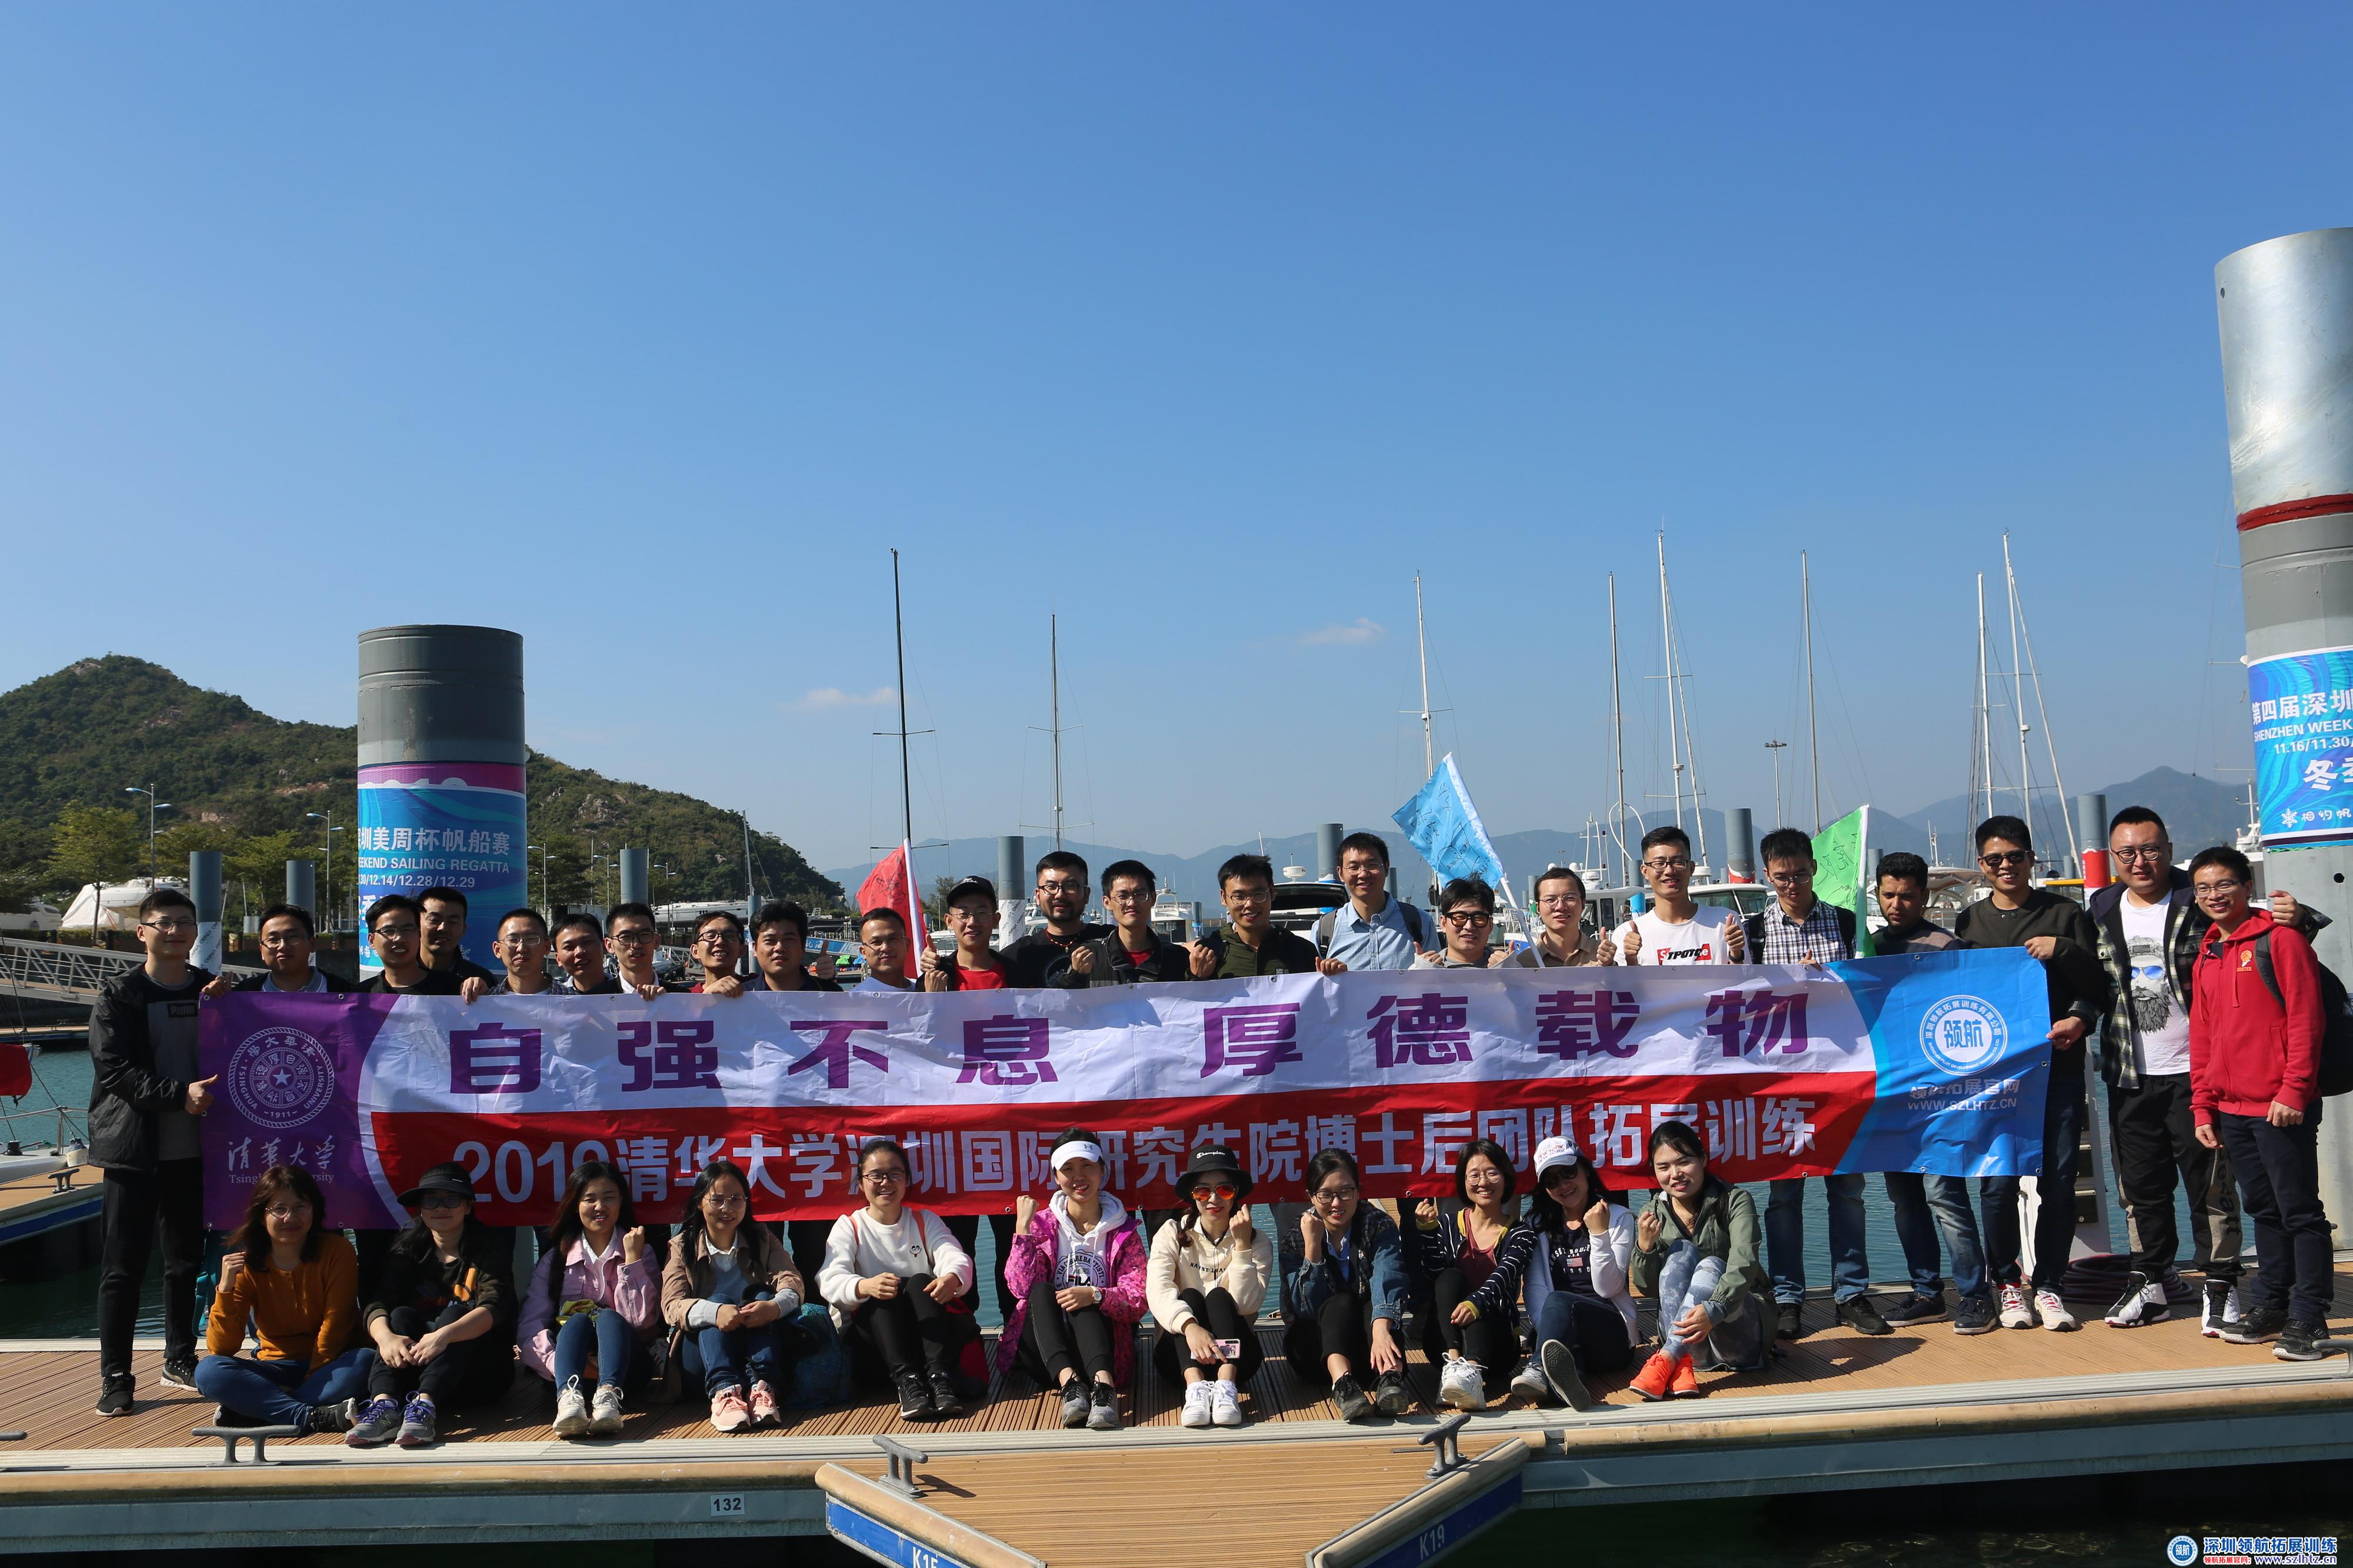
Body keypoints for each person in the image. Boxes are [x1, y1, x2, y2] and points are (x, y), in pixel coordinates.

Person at [2089, 808, 2310, 1333]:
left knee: (2212, 1187)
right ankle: (2150, 1283)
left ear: (2169, 850)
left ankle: (2221, 1285)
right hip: (2129, 1071)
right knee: (2139, 1189)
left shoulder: (2201, 896)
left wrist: (2300, 916)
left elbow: (2265, 929)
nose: (2140, 861)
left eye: (2151, 849)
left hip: (2199, 1072)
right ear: (2113, 857)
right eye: (2127, 852)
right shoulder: (2101, 906)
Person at [1954, 815, 2113, 1332]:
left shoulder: (2066, 914)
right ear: (1982, 865)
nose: (2006, 866)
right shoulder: (1970, 923)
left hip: (2057, 1070)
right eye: (1995, 859)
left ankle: (2049, 1285)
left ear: (2031, 859)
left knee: (2059, 1184)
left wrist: (2075, 1004)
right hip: (1996, 1078)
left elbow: (2099, 987)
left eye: (2015, 856)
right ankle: (2007, 1283)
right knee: (1998, 1185)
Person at [2188, 847, 2334, 1362]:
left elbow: (2307, 1019)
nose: (2214, 895)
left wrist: (2294, 1089)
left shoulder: (2282, 939)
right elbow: (2202, 1034)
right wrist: (2203, 1105)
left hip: (2281, 1105)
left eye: (2224, 884)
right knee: (2263, 1211)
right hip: (2232, 1108)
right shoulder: (2209, 950)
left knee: (2300, 1212)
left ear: (2248, 886)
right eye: (2204, 888)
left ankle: (2310, 1316)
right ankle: (2271, 1304)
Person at [1740, 828, 1884, 1340]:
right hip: (1782, 1081)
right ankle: (1788, 1299)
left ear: (1815, 869)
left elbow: (1873, 988)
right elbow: (1736, 1003)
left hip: (1842, 1077)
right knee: (1785, 1196)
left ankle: (1852, 1294)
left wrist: (1837, 976)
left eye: (1801, 874)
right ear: (1766, 876)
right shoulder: (1753, 933)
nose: (1793, 884)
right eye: (1782, 877)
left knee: (1848, 1190)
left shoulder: (1846, 923)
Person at [91, 886, 217, 1415]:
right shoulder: (120, 995)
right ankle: (116, 1375)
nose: (175, 931)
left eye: (185, 922)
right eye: (164, 922)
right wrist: (178, 1095)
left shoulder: (214, 990)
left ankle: (179, 1358)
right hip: (133, 1150)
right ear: (142, 932)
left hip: (194, 1152)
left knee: (184, 1263)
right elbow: (114, 1068)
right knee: (123, 1268)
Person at [1870, 853, 1997, 1335]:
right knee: (1904, 1200)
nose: (1896, 904)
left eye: (1907, 895)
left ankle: (1976, 1295)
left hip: (1940, 1096)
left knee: (1945, 1195)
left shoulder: (1948, 946)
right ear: (1878, 895)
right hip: (1889, 1094)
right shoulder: (1868, 947)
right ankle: (1927, 1293)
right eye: (1888, 894)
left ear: (1924, 896)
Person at [192, 1163, 371, 1433]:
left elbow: (336, 1324)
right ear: (261, 1214)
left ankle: (263, 1411)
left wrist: (310, 1379)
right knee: (209, 1371)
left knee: (366, 1360)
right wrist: (225, 1289)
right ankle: (309, 1415)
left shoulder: (338, 1251)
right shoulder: (247, 1263)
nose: (291, 1218)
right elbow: (222, 1348)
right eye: (279, 1209)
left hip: (332, 1364)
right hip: (276, 1368)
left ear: (314, 1210)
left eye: (301, 1207)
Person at [663, 1159, 838, 1432]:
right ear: (699, 1203)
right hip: (703, 1362)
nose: (727, 1208)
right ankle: (724, 1391)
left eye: (736, 1199)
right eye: (717, 1200)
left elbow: (792, 1281)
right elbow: (672, 1305)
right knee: (718, 1301)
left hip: (758, 1352)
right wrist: (715, 1313)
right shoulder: (681, 1246)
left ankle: (762, 1388)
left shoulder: (762, 1238)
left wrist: (774, 1307)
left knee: (763, 1294)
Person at [348, 1162, 515, 1447]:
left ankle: (425, 1407)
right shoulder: (407, 1250)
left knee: (456, 1313)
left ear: (468, 1206)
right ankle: (384, 1406)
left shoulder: (488, 1248)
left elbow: (496, 1305)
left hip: (478, 1376)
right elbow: (379, 1302)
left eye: (451, 1200)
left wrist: (444, 1336)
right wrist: (386, 1338)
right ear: (421, 1210)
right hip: (414, 1371)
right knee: (400, 1315)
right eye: (431, 1201)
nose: (441, 1208)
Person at [818, 1138, 979, 1420]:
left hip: (927, 1342)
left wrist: (953, 1278)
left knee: (919, 1282)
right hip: (876, 1352)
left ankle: (940, 1378)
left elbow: (954, 1255)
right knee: (883, 1293)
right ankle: (908, 1383)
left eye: (894, 1174)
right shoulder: (849, 1226)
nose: (885, 1183)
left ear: (907, 1180)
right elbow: (829, 1278)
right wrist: (863, 1286)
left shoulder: (924, 1220)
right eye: (876, 1176)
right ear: (861, 1183)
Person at [1001, 1130, 1149, 1433]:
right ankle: (1071, 1385)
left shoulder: (1124, 1230)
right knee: (1041, 1291)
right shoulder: (1042, 1225)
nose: (1079, 1177)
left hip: (1103, 1350)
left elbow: (1139, 1299)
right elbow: (1020, 1288)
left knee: (1086, 1299)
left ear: (1102, 1171)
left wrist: (1096, 1295)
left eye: (1087, 1166)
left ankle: (1104, 1389)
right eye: (1068, 1169)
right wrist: (1022, 1229)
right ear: (1056, 1177)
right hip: (1048, 1357)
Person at [518, 1160, 662, 1439]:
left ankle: (609, 1395)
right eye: (590, 1199)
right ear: (575, 1205)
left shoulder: (641, 1252)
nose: (600, 1207)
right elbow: (530, 1327)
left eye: (609, 1198)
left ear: (621, 1202)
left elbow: (642, 1323)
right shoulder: (556, 1259)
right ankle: (568, 1399)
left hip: (628, 1371)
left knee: (607, 1317)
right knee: (578, 1321)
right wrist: (561, 1365)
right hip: (573, 1374)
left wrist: (631, 1262)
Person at [1625, 1120, 1769, 1399]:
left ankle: (1668, 1357)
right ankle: (1679, 1364)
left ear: (1702, 1160)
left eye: (1684, 1162)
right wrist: (1644, 1248)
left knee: (1711, 1265)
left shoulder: (1736, 1200)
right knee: (1679, 1252)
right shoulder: (1652, 1213)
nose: (1675, 1174)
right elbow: (1649, 1289)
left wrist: (1715, 1309)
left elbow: (1745, 1262)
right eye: (1664, 1167)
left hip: (1740, 1339)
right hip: (1693, 1348)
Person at [1146, 1146, 1273, 1428]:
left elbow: (1246, 1306)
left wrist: (1242, 1246)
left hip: (1239, 1362)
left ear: (1235, 1194)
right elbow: (1157, 1290)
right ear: (1193, 1196)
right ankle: (1195, 1389)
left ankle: (1226, 1387)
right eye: (1203, 1191)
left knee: (1218, 1297)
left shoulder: (1258, 1241)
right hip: (1179, 1362)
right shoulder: (1171, 1232)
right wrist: (1190, 1327)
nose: (1213, 1199)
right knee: (1189, 1297)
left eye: (1224, 1190)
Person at [1284, 1149, 1412, 1422]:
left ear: (1359, 1191)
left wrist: (1381, 1329)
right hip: (1316, 1354)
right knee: (1340, 1303)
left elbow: (1389, 1274)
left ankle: (1390, 1380)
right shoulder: (1296, 1236)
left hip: (1372, 1351)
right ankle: (1343, 1385)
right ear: (1311, 1196)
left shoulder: (1378, 1225)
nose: (1336, 1203)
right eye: (1325, 1194)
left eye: (1345, 1192)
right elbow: (1305, 1309)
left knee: (1376, 1306)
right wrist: (1312, 1250)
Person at [1408, 1137, 1537, 1409]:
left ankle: (1472, 1373)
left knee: (1482, 1303)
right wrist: (1428, 1232)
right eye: (1474, 1175)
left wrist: (1475, 1303)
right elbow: (1433, 1276)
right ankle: (1456, 1366)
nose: (1483, 1183)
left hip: (1498, 1348)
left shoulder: (1521, 1233)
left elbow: (1504, 1276)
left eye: (1492, 1173)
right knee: (1449, 1278)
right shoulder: (1446, 1223)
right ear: (1463, 1181)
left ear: (1506, 1178)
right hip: (1445, 1343)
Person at [1509, 1136, 1636, 1410]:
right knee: (1564, 1351)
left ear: (1586, 1170)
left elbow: (1608, 1289)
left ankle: (1537, 1367)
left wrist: (1599, 1234)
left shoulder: (1618, 1217)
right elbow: (1534, 1287)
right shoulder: (1537, 1225)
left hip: (1612, 1338)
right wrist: (1550, 1333)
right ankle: (1563, 1389)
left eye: (1569, 1173)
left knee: (1559, 1300)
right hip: (1565, 1340)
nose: (1563, 1185)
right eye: (1552, 1181)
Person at [1187, 853, 1337, 980]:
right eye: (1239, 896)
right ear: (1224, 898)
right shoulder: (1208, 953)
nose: (1249, 904)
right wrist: (1196, 977)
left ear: (1272, 892)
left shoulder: (1301, 951)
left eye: (1258, 894)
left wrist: (1335, 979)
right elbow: (1188, 1003)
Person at [1613, 826, 1745, 966]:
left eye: (1678, 862)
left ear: (1691, 868)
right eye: (1659, 864)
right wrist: (1630, 960)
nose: (1669, 871)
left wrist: (1736, 953)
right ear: (1645, 872)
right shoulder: (1627, 934)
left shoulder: (1725, 922)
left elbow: (1744, 978)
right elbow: (1625, 981)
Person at [1049, 860, 1194, 986]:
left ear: (1153, 898)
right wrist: (1076, 977)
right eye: (1123, 896)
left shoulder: (1177, 959)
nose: (1131, 903)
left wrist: (1197, 977)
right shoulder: (1089, 957)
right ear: (1107, 902)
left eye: (1140, 895)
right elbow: (1061, 1004)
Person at [1317, 832, 1431, 970]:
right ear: (1341, 873)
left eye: (1372, 865)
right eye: (1354, 867)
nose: (1363, 874)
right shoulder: (1324, 930)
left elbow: (1439, 980)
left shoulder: (1420, 922)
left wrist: (1428, 969)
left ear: (1387, 868)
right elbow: (1314, 981)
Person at [998, 850, 1112, 987]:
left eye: (1070, 887)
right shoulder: (1019, 955)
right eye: (1051, 887)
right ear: (1038, 896)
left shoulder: (1111, 942)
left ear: (1086, 895)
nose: (1060, 895)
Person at [205, 903, 346, 995]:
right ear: (261, 950)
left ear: (312, 944)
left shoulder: (344, 993)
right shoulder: (243, 994)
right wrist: (220, 1003)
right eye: (273, 940)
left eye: (293, 937)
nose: (283, 946)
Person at [1501, 868, 1614, 968]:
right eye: (1550, 900)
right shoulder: (1523, 964)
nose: (1560, 906)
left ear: (1583, 904)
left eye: (1569, 898)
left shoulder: (1603, 956)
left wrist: (1610, 968)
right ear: (1538, 908)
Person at [356, 895, 463, 995]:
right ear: (372, 941)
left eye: (408, 930)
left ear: (419, 935)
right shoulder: (361, 995)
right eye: (389, 931)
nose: (399, 938)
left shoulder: (456, 989)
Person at [920, 876, 1011, 990]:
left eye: (981, 913)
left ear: (995, 920)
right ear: (949, 921)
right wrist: (932, 996)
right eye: (964, 914)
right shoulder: (932, 978)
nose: (972, 922)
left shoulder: (1018, 976)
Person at [747, 902, 844, 992]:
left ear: (803, 946)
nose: (779, 947)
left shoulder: (831, 994)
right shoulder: (743, 997)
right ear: (755, 949)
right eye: (770, 940)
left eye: (789, 939)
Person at [1412, 877, 1502, 969]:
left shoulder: (1507, 968)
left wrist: (1508, 973)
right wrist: (1421, 975)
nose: (1469, 926)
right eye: (1460, 918)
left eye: (1478, 918)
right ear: (1444, 924)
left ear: (1490, 925)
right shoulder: (1421, 970)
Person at [419, 886, 499, 987]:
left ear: (463, 929)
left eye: (453, 922)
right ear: (417, 923)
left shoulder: (483, 982)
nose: (443, 928)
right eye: (434, 920)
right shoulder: (400, 974)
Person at [605, 902, 675, 998]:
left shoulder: (683, 998)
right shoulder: (596, 999)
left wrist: (670, 1004)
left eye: (644, 935)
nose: (636, 945)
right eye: (626, 937)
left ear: (657, 941)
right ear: (610, 945)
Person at [485, 907, 556, 995]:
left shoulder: (570, 999)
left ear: (547, 947)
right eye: (513, 940)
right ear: (498, 950)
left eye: (531, 939)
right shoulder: (483, 1001)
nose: (521, 949)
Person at [852, 907, 919, 992]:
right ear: (864, 953)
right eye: (876, 942)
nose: (885, 948)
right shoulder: (856, 998)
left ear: (907, 945)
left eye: (893, 939)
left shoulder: (925, 989)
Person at [685, 909, 752, 995]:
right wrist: (706, 997)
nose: (720, 941)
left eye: (729, 936)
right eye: (711, 936)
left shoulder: (759, 986)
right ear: (695, 951)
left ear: (742, 950)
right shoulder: (683, 998)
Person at [550, 912, 618, 995]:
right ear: (558, 959)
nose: (579, 952)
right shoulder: (554, 999)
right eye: (569, 947)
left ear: (604, 947)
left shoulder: (627, 993)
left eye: (587, 942)